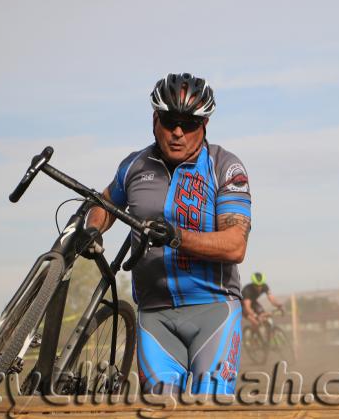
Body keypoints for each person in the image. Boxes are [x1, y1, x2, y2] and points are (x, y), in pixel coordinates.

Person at [85, 73, 252, 396]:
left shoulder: (224, 167)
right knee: (159, 410)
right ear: (154, 119)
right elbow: (104, 203)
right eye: (169, 121)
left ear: (204, 126)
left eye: (188, 124)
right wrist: (93, 229)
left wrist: (177, 236)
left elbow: (235, 245)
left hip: (213, 309)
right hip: (154, 316)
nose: (178, 132)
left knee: (210, 410)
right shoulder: (134, 166)